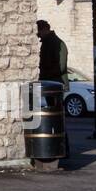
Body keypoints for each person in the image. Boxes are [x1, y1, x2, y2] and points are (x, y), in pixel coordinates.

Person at [36, 20, 70, 163]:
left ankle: (63, 148)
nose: (38, 36)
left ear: (45, 29)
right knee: (50, 117)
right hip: (48, 84)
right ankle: (58, 147)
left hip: (55, 85)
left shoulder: (58, 43)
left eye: (39, 32)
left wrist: (44, 76)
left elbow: (61, 66)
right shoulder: (47, 42)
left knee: (56, 118)